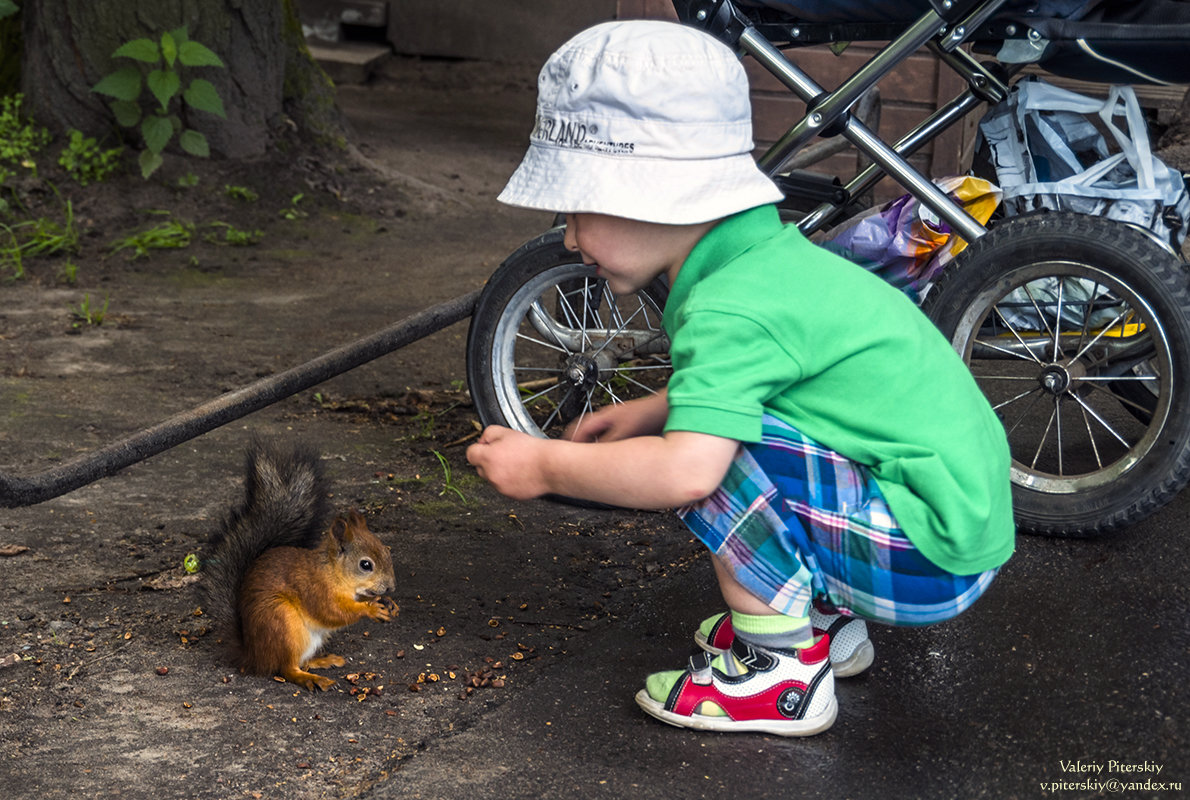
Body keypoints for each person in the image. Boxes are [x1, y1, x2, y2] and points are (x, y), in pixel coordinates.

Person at [465, 19, 1014, 737]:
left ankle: (774, 671)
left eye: (575, 209)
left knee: (718, 459)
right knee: (727, 427)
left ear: (650, 192)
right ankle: (823, 623)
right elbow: (783, 379)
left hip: (925, 551)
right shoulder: (769, 264)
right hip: (950, 522)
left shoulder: (729, 305)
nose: (569, 238)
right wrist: (656, 408)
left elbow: (687, 473)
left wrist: (546, 465)